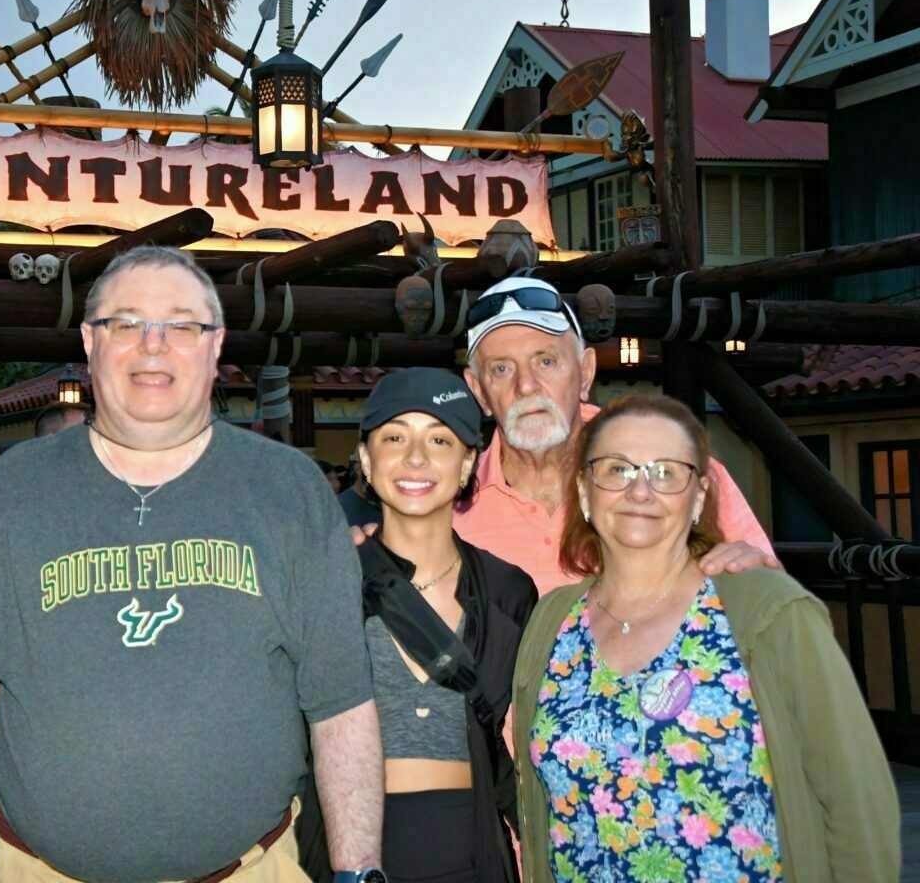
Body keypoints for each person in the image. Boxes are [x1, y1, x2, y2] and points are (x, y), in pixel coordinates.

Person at [0, 245, 385, 883]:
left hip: (255, 871)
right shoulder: (14, 490)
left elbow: (341, 704)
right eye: (126, 323)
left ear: (215, 346)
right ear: (91, 345)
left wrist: (357, 874)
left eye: (181, 324)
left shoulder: (289, 489)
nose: (153, 346)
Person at [513, 394, 899, 882]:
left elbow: (856, 802)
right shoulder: (552, 622)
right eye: (617, 469)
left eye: (667, 472)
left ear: (698, 497)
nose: (640, 490)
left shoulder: (766, 611)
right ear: (585, 492)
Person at [457, 276, 775, 596]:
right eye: (501, 369)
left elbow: (771, 612)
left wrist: (758, 579)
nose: (526, 385)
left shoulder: (675, 469)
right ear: (479, 392)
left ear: (586, 373)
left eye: (546, 361)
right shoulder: (450, 506)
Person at [353, 368, 535, 882]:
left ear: (467, 462)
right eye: (394, 437)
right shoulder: (329, 583)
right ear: (367, 459)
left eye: (439, 438)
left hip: (472, 851)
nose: (415, 458)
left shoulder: (509, 592)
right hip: (351, 854)